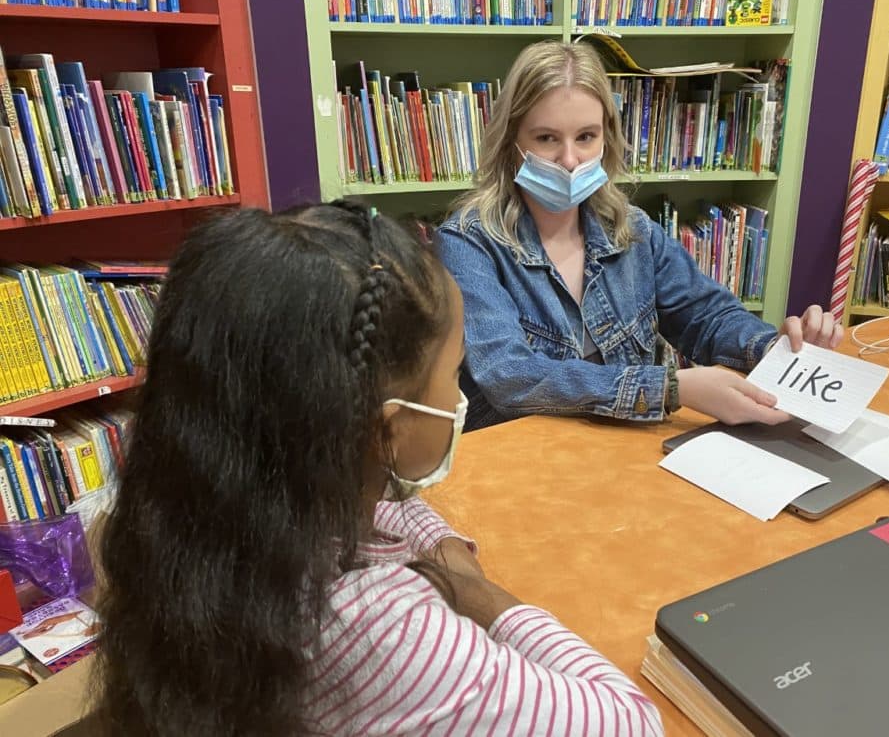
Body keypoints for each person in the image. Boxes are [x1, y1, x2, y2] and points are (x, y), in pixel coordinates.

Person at [93, 201, 663, 736]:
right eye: (453, 374)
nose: (457, 392)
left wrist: (443, 554)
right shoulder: (387, 633)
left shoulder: (199, 513)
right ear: (388, 429)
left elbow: (391, 508)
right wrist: (483, 598)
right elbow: (631, 720)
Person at [438, 40, 843, 431]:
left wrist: (773, 348)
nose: (569, 159)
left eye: (585, 137)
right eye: (546, 138)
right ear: (512, 142)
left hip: (623, 450)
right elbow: (511, 377)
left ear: (607, 137)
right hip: (522, 461)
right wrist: (670, 389)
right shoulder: (468, 242)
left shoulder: (633, 230)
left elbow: (706, 317)